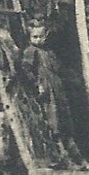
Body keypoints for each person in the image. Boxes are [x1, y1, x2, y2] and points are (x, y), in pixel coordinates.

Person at [17, 16, 79, 167]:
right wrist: (36, 83)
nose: (38, 40)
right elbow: (26, 70)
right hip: (45, 90)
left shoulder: (49, 52)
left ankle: (76, 155)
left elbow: (58, 69)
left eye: (41, 36)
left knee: (65, 120)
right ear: (30, 37)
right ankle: (61, 157)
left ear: (46, 35)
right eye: (34, 37)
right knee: (53, 123)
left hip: (57, 90)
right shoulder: (31, 52)